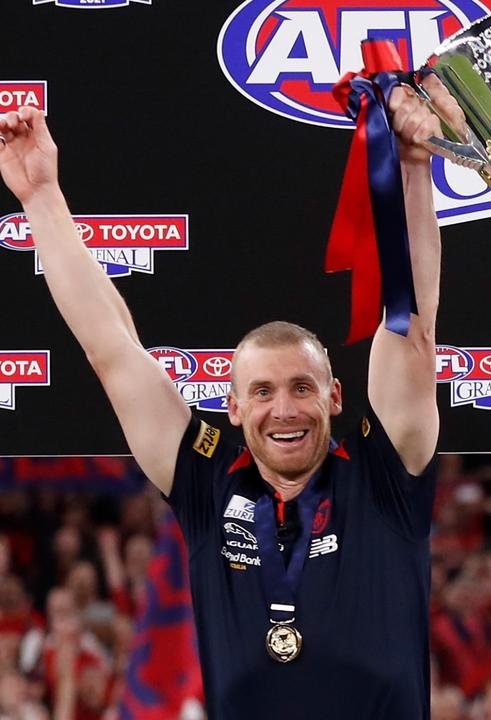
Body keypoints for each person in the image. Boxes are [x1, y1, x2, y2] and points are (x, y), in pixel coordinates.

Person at [0, 76, 466, 717]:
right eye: (264, 391)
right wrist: (42, 195)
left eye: (302, 388)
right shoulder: (205, 477)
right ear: (234, 407)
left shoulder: (386, 473)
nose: (285, 409)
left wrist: (412, 168)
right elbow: (112, 350)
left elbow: (412, 325)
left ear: (333, 397)